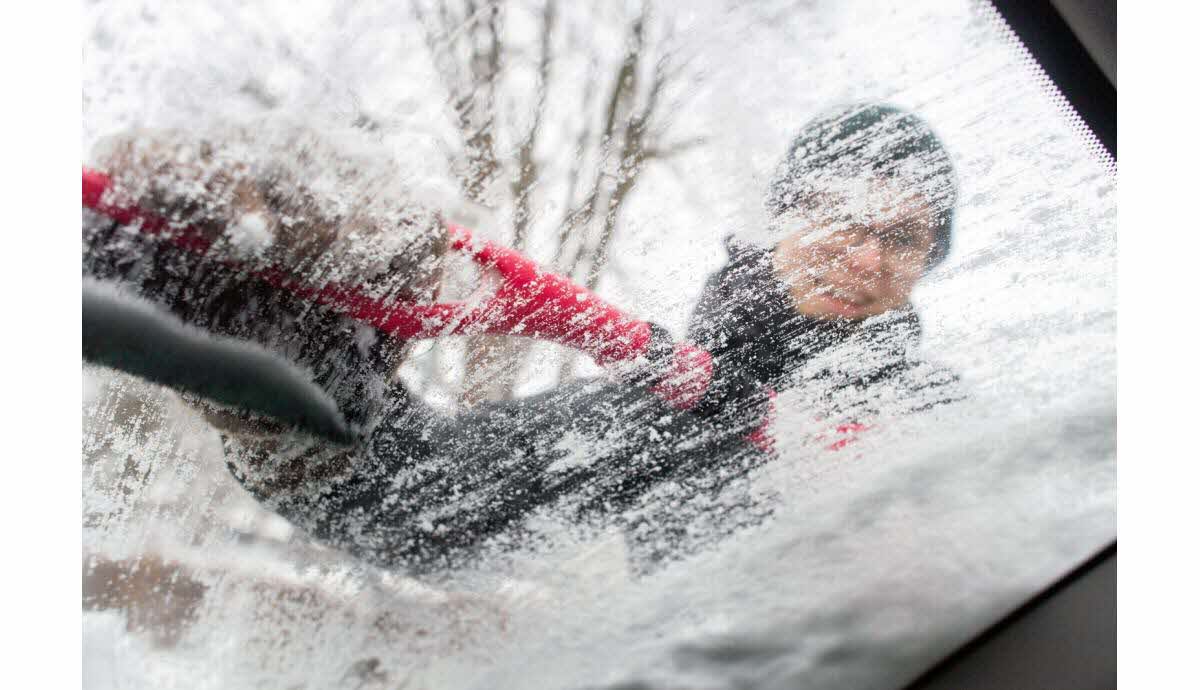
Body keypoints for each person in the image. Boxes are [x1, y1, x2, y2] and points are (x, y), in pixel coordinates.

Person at [82, 104, 960, 575]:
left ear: (927, 263)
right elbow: (447, 508)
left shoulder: (919, 408)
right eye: (839, 214)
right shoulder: (709, 356)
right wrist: (317, 418)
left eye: (902, 237)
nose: (862, 252)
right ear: (782, 216)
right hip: (398, 473)